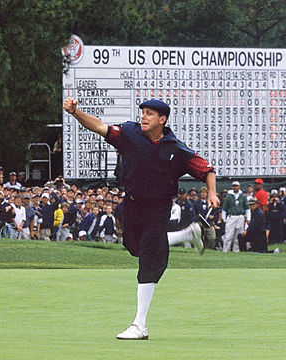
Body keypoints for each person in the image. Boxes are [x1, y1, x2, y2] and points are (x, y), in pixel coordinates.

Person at [63, 97, 218, 340]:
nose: (143, 117)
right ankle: (190, 233)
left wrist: (211, 192)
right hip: (131, 206)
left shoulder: (175, 148)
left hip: (158, 208)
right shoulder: (129, 133)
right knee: (134, 247)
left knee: (148, 256)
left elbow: (206, 169)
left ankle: (139, 325)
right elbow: (99, 126)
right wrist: (75, 113)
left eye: (149, 113)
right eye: (142, 112)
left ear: (162, 120)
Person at [221, 181, 250, 252]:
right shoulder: (228, 196)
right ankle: (225, 250)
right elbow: (224, 209)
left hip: (240, 216)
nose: (235, 187)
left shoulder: (243, 196)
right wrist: (224, 219)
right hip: (232, 216)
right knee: (228, 235)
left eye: (236, 186)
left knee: (238, 235)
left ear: (239, 187)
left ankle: (236, 250)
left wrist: (248, 218)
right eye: (234, 186)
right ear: (232, 187)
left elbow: (247, 208)